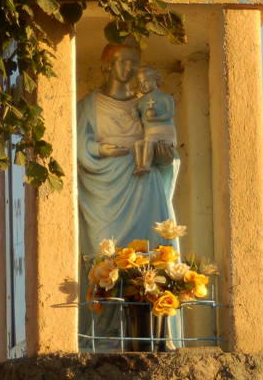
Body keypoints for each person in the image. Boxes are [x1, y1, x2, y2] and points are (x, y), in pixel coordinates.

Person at [77, 43, 180, 350]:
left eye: (134, 63)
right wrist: (100, 149)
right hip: (102, 188)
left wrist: (166, 156)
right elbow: (78, 144)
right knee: (104, 257)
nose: (129, 68)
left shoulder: (146, 103)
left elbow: (163, 138)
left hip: (143, 184)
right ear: (107, 66)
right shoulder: (89, 105)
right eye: (122, 61)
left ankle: (150, 332)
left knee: (150, 254)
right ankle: (105, 334)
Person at [133, 67, 177, 176]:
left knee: (149, 141)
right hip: (149, 133)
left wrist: (155, 119)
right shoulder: (140, 102)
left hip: (164, 133)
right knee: (138, 144)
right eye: (140, 83)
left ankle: (146, 166)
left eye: (146, 81)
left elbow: (169, 114)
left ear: (155, 80)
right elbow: (136, 119)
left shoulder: (166, 97)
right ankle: (139, 166)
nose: (143, 85)